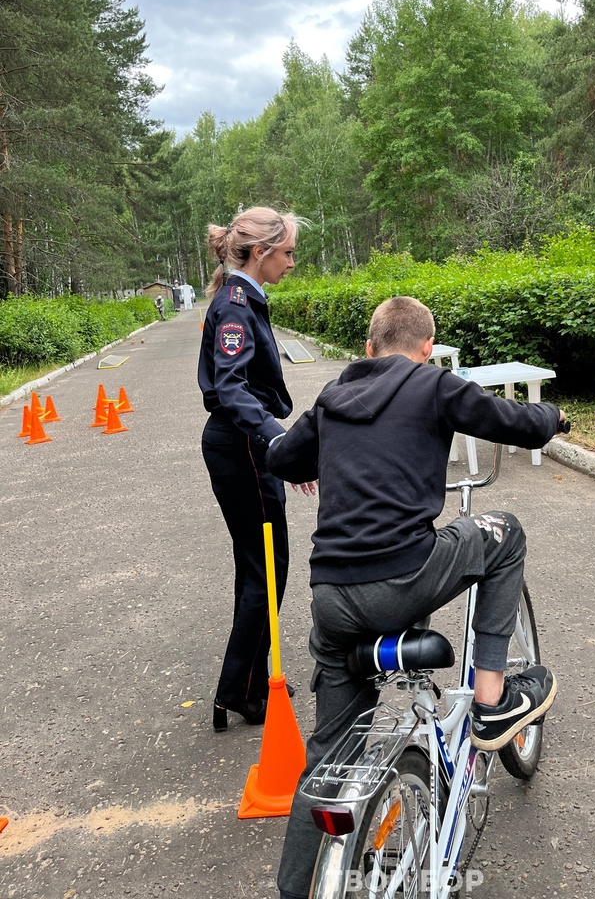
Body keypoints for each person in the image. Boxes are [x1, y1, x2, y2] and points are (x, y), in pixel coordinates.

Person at [265, 295, 565, 899]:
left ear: (369, 348)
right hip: (402, 579)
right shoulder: (433, 384)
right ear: (427, 349)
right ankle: (493, 700)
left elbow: (281, 458)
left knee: (327, 759)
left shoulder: (332, 396)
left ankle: (295, 890)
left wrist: (317, 454)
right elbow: (517, 421)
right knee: (505, 534)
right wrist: (554, 417)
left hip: (332, 598)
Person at [197, 206, 310, 733]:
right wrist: (279, 440)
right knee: (267, 568)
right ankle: (240, 690)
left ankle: (249, 682)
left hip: (242, 442)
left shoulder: (241, 297)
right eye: (287, 252)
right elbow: (232, 388)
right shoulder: (236, 306)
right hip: (241, 444)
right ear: (261, 252)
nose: (292, 262)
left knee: (258, 567)